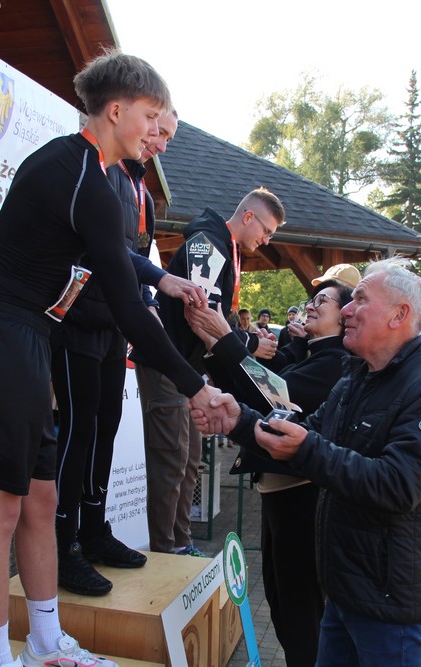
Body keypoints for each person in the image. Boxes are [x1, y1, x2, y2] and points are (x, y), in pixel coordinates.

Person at [0, 51, 230, 667]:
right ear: (116, 110)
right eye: (152, 119)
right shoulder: (80, 175)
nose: (158, 135)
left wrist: (40, 333)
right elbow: (129, 310)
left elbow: (4, 243)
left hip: (26, 341)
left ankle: (46, 642)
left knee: (42, 502)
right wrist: (195, 386)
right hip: (2, 342)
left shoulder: (80, 171)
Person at [193, 258, 421, 666]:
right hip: (342, 591)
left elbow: (397, 485)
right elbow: (302, 428)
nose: (347, 310)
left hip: (386, 603)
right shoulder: (356, 377)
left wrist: (228, 342)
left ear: (399, 315)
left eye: (359, 300)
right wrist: (239, 421)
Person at [185, 275, 353, 667]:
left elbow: (274, 393)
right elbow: (249, 387)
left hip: (302, 495)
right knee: (280, 601)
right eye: (311, 300)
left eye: (323, 301)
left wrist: (226, 337)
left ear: (344, 317)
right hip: (279, 491)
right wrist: (214, 344)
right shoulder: (310, 352)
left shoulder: (335, 361)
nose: (311, 305)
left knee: (298, 609)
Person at [50, 109, 184, 597]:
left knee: (104, 429)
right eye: (158, 131)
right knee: (77, 433)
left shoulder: (139, 183)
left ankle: (94, 530)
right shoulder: (98, 168)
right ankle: (61, 547)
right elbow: (103, 249)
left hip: (112, 327)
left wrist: (145, 302)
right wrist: (158, 281)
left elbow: (135, 255)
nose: (161, 144)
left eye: (167, 137)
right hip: (76, 323)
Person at [132, 188, 285, 556]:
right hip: (165, 364)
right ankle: (166, 553)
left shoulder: (225, 247)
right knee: (171, 462)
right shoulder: (209, 243)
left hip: (187, 370)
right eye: (266, 231)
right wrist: (248, 344)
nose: (266, 241)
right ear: (248, 217)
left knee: (188, 462)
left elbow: (217, 314)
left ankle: (181, 544)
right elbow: (199, 314)